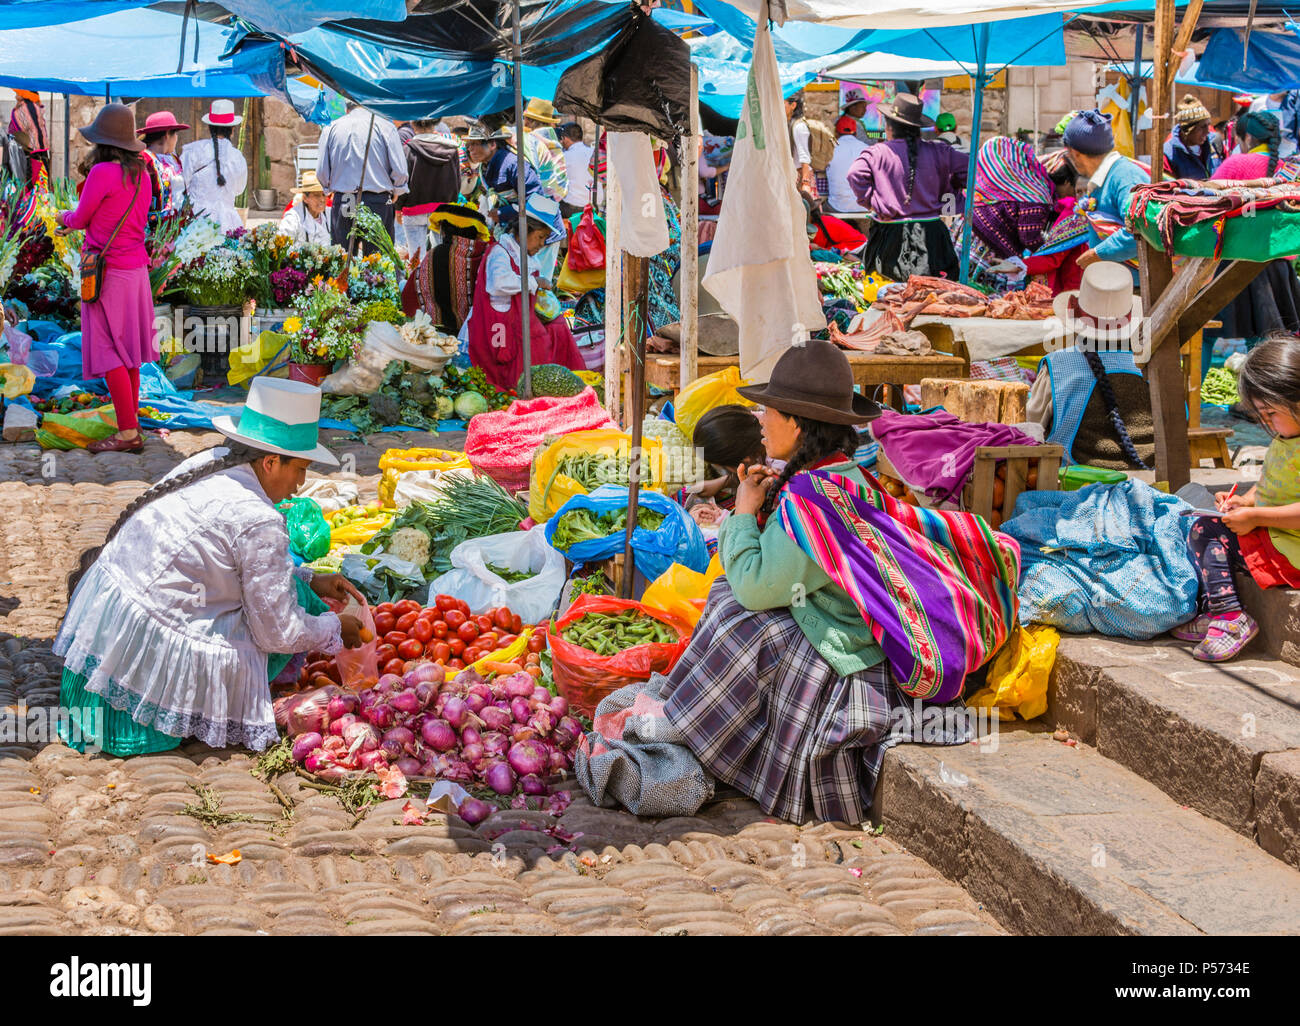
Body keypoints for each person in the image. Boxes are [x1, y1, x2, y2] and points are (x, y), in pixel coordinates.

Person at [651, 341, 1014, 823]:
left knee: (736, 616)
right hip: (861, 634)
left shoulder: (811, 499)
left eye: (768, 410)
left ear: (797, 424)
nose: (760, 420)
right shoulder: (846, 476)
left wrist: (741, 513)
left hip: (852, 660)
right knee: (732, 601)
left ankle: (700, 735)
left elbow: (756, 586)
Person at [55, 377, 368, 756]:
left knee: (293, 589)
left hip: (104, 648)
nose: (301, 484)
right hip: (128, 685)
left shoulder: (213, 460)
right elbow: (278, 633)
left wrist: (310, 579)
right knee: (283, 613)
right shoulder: (258, 519)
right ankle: (180, 712)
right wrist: (333, 627)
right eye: (299, 468)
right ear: (270, 462)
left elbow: (237, 565)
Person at [1174, 335, 1300, 661]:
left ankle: (1230, 617)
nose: (1267, 423)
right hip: (1278, 535)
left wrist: (1256, 518)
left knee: (1207, 532)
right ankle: (1216, 610)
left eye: (1271, 413)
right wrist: (1248, 502)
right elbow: (1274, 484)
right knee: (1205, 526)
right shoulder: (1288, 438)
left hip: (1291, 548)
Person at [54, 104, 156, 455]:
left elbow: (81, 219)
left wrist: (61, 215)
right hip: (136, 273)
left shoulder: (102, 173)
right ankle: (132, 426)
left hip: (106, 273)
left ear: (101, 141)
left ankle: (127, 434)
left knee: (108, 349)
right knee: (128, 352)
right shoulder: (142, 174)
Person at [1202, 110, 1300, 380]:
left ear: (1246, 137)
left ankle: (1188, 407)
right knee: (1265, 341)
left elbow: (1207, 203)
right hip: (1278, 265)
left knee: (1205, 333)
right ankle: (1265, 405)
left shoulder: (1236, 165)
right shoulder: (1289, 168)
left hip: (1235, 263)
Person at [1027, 261, 1154, 470]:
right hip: (1149, 470)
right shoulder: (1148, 364)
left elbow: (1033, 426)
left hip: (1074, 477)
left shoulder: (1058, 365)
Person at [463, 193, 585, 391]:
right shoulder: (500, 252)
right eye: (540, 237)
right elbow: (498, 283)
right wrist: (534, 282)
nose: (542, 244)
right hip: (495, 332)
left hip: (515, 326)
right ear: (523, 229)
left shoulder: (527, 258)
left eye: (545, 239)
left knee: (558, 329)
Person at [847, 92, 968, 280]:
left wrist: (873, 202)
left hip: (890, 236)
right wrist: (949, 187)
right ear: (918, 128)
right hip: (932, 237)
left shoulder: (878, 152)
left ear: (889, 127)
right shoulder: (940, 151)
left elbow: (855, 174)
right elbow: (971, 169)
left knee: (889, 297)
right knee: (933, 297)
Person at [1064, 110, 1149, 275]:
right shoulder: (1102, 180)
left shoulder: (1125, 177)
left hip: (1135, 290)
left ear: (1076, 154)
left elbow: (1141, 229)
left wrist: (1098, 253)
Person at [316, 103, 408, 253]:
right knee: (378, 263)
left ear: (346, 109)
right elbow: (400, 170)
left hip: (345, 200)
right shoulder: (385, 127)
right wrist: (397, 190)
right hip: (377, 201)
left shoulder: (331, 128)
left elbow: (321, 171)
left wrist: (328, 189)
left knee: (343, 259)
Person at [972, 135, 1056, 259]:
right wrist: (1052, 252)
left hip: (964, 248)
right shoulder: (1032, 195)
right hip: (995, 261)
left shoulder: (978, 189)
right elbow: (1029, 238)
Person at [681, 404, 768, 510]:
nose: (725, 470)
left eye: (723, 467)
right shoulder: (753, 422)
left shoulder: (776, 468)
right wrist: (723, 482)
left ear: (745, 458)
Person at [395, 119, 460, 259]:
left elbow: (403, 182)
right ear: (435, 124)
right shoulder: (452, 149)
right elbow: (456, 183)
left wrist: (398, 207)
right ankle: (438, 281)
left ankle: (418, 281)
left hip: (413, 211)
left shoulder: (408, 149)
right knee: (441, 256)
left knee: (416, 258)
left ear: (412, 124)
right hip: (442, 210)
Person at [180, 100, 248, 233]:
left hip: (197, 222)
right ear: (232, 130)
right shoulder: (238, 158)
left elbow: (181, 183)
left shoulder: (194, 151)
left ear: (209, 127)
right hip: (228, 224)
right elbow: (239, 189)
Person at [464, 122, 540, 220]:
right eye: (469, 144)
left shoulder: (514, 165)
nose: (470, 149)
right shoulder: (484, 168)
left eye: (475, 143)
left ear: (492, 144)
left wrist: (503, 213)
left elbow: (536, 201)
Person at [136, 110, 188, 216]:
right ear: (167, 134)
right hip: (152, 227)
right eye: (176, 134)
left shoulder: (174, 159)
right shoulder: (144, 159)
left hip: (176, 226)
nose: (176, 138)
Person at [1163, 95, 1220, 180]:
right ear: (1187, 130)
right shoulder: (1169, 154)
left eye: (1208, 125)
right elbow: (1169, 187)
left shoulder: (1214, 142)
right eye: (1202, 127)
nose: (1207, 131)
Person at [826, 116, 869, 214]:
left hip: (837, 206)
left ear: (836, 133)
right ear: (856, 133)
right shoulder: (867, 149)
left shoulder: (831, 150)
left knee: (820, 209)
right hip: (864, 207)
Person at [277, 170, 331, 246]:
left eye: (324, 194)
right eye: (316, 195)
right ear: (305, 198)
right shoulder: (293, 218)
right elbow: (281, 243)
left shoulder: (330, 214)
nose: (322, 199)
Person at [7, 88, 49, 180]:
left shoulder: (22, 110)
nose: (15, 95)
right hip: (41, 152)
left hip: (29, 153)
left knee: (30, 182)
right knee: (42, 181)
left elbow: (18, 132)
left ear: (24, 95)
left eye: (18, 92)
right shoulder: (36, 107)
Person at [559, 122, 593, 220]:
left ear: (565, 138)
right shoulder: (593, 153)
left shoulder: (564, 156)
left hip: (573, 208)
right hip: (595, 205)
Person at [786, 95, 815, 199]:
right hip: (796, 175)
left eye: (783, 103)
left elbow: (804, 156)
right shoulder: (790, 124)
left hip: (802, 175)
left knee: (807, 210)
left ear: (793, 105)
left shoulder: (799, 126)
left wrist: (805, 182)